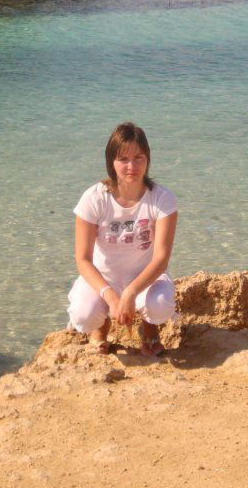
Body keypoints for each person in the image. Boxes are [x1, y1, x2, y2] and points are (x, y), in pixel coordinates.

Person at [68, 122, 178, 356]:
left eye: (139, 157)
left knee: (160, 306)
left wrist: (129, 293)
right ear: (111, 162)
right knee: (83, 315)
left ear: (148, 159)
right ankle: (100, 329)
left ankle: (149, 331)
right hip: (103, 278)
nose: (131, 166)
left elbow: (161, 259)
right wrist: (110, 294)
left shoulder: (162, 198)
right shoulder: (94, 198)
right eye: (123, 159)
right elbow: (83, 259)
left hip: (146, 278)